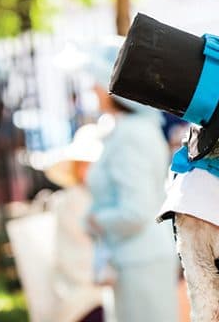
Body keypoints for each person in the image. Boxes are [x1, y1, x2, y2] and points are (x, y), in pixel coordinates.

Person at [83, 39, 179, 322]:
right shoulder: (132, 130)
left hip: (140, 263)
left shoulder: (131, 136)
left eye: (97, 81)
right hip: (134, 260)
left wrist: (94, 220)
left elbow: (135, 212)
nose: (92, 89)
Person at [44, 124, 105, 322]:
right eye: (82, 165)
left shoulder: (101, 198)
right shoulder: (73, 200)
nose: (86, 171)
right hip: (84, 291)